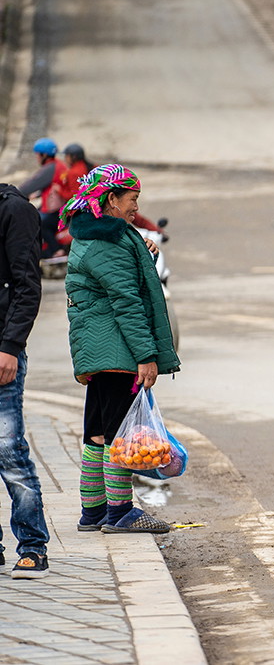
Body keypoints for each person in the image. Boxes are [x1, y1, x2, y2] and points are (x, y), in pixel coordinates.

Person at [61, 164, 180, 534]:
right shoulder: (107, 244)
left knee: (97, 431)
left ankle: (93, 511)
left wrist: (139, 245)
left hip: (100, 349)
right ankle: (120, 512)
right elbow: (126, 302)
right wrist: (146, 356)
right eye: (131, 200)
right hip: (115, 349)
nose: (135, 207)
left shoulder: (101, 234)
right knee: (117, 434)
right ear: (110, 199)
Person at [0, 183, 51, 578]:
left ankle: (33, 545)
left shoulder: (15, 210)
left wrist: (10, 347)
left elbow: (27, 287)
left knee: (9, 452)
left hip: (2, 352)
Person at [18, 137, 69, 260]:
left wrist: (15, 192)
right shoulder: (59, 165)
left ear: (44, 154)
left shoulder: (50, 168)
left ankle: (56, 251)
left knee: (38, 221)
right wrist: (38, 194)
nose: (37, 158)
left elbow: (28, 186)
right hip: (62, 206)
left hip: (58, 210)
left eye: (37, 155)